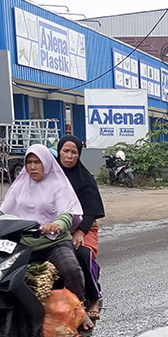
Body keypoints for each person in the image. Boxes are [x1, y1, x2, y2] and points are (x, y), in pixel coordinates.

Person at [0, 144, 91, 334]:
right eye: (29, 162)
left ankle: (80, 310)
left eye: (37, 162)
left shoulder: (58, 184)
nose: (33, 167)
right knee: (3, 275)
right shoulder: (20, 184)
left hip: (53, 242)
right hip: (23, 242)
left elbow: (67, 214)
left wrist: (56, 224)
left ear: (47, 164)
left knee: (71, 269)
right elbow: (3, 212)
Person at [56, 134, 105, 323]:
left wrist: (79, 231)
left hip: (84, 228)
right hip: (56, 229)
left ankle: (93, 297)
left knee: (83, 255)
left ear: (79, 155)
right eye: (65, 151)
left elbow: (92, 211)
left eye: (73, 152)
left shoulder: (86, 180)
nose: (69, 156)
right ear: (59, 152)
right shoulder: (50, 177)